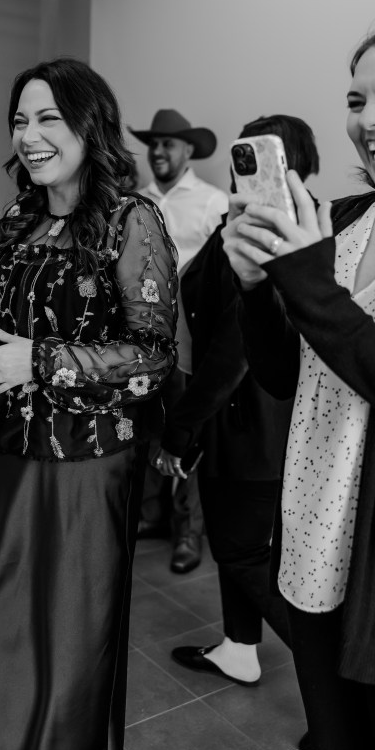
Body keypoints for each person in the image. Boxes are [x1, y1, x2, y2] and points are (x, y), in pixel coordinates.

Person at [0, 57, 178, 750]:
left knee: (65, 650)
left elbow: (152, 357)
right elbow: (4, 329)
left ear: (89, 125)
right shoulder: (19, 218)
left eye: (48, 118)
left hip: (83, 469)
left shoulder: (131, 221)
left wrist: (39, 362)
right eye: (20, 120)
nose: (29, 135)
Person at [221, 14, 375, 750]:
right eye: (355, 101)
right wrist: (253, 289)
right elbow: (284, 376)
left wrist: (307, 283)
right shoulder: (339, 222)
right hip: (311, 537)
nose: (367, 121)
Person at [156, 114, 319, 750]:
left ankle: (337, 697)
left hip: (250, 423)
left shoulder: (265, 236)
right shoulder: (273, 226)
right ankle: (238, 648)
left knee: (246, 554)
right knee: (241, 546)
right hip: (258, 422)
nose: (242, 165)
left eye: (259, 155)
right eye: (241, 153)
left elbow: (233, 353)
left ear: (289, 166)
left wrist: (180, 430)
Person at [129, 108, 228, 572]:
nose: (158, 151)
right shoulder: (135, 203)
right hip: (142, 338)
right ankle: (152, 515)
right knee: (148, 424)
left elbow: (221, 277)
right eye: (153, 143)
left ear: (188, 150)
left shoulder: (213, 203)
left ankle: (189, 530)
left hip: (189, 340)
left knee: (187, 430)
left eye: (168, 143)